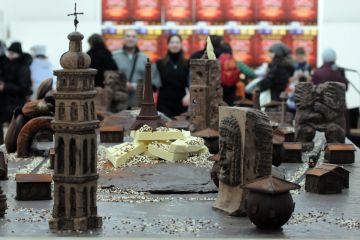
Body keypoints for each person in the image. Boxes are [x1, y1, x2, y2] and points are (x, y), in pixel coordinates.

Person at [312, 48, 359, 131]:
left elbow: (314, 91)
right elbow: (346, 88)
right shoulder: (338, 71)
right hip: (339, 110)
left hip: (322, 110)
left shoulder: (317, 72)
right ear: (334, 58)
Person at [0, 42, 32, 143]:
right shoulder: (4, 62)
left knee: (14, 133)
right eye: (9, 52)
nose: (10, 55)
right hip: (3, 102)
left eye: (13, 53)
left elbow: (24, 88)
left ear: (18, 54)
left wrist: (5, 86)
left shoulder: (23, 67)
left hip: (16, 104)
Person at [152, 34, 190, 118]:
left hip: (182, 102)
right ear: (168, 45)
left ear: (181, 44)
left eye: (177, 42)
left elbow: (192, 82)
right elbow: (153, 85)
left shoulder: (188, 63)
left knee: (181, 129)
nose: (175, 45)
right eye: (172, 42)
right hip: (164, 103)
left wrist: (189, 95)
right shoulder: (159, 63)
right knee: (164, 129)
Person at [112, 29, 148, 109]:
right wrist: (122, 84)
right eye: (128, 36)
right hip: (119, 103)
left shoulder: (144, 58)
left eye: (133, 36)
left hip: (139, 102)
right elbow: (109, 77)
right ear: (123, 39)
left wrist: (137, 86)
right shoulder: (114, 57)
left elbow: (151, 80)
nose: (130, 38)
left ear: (137, 39)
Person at [287, 47, 312, 111]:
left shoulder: (308, 66)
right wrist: (297, 76)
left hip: (305, 91)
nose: (300, 60)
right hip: (294, 91)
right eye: (298, 58)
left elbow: (311, 80)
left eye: (301, 58)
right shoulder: (293, 67)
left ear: (304, 56)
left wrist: (305, 76)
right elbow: (289, 80)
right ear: (296, 57)